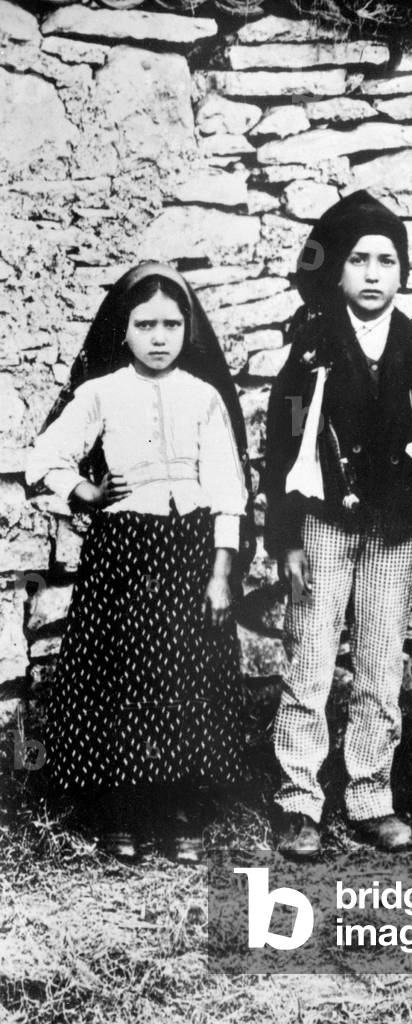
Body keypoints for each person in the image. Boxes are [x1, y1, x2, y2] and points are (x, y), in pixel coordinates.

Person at [265, 190, 412, 859]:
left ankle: (370, 793)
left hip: (393, 530)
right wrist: (285, 537)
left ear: (403, 271)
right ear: (339, 272)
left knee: (380, 660)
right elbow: (282, 448)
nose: (374, 272)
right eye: (360, 259)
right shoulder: (311, 351)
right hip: (324, 524)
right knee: (312, 655)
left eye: (387, 259)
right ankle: (298, 798)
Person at [26, 262, 251, 863]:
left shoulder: (204, 398)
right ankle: (122, 812)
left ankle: (180, 811)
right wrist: (88, 493)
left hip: (189, 553)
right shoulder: (101, 393)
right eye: (145, 324)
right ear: (121, 331)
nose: (159, 337)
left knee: (184, 679)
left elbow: (228, 489)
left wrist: (220, 573)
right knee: (123, 680)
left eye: (171, 324)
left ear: (188, 331)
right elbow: (44, 458)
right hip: (123, 554)